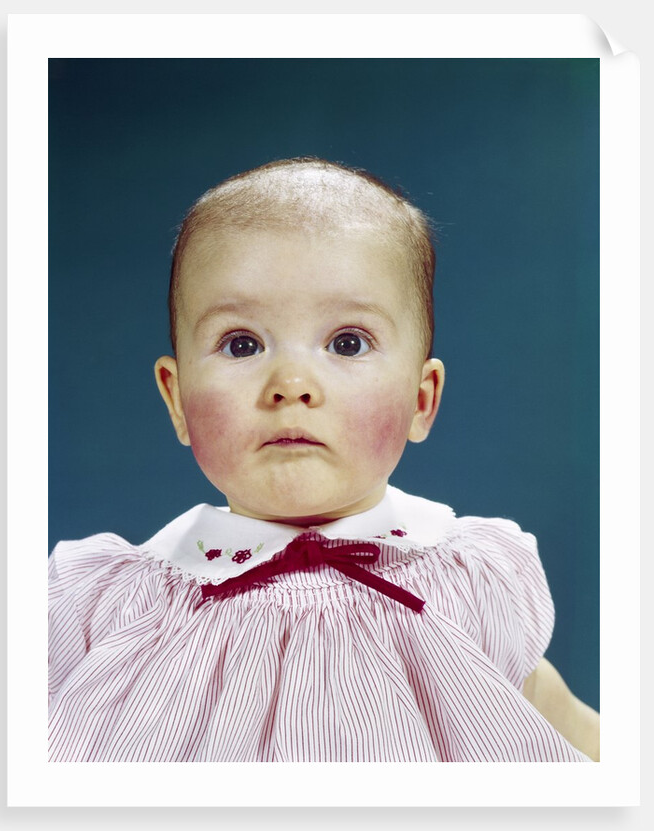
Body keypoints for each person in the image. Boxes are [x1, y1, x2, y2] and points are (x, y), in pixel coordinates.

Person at [48, 157, 599, 762]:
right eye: (242, 344)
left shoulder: (466, 583)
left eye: (347, 343)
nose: (292, 384)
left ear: (422, 400)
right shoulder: (112, 608)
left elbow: (565, 728)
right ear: (176, 400)